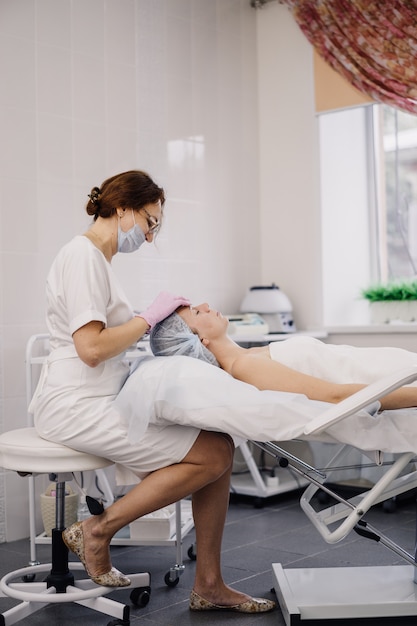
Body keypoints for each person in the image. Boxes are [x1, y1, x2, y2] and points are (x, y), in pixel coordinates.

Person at [30, 171, 275, 614]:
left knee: (217, 439)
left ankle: (209, 583)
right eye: (150, 221)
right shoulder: (83, 256)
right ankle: (98, 530)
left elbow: (107, 340)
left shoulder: (99, 262)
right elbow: (90, 349)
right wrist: (147, 318)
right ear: (122, 207)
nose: (149, 234)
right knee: (215, 454)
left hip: (101, 397)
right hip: (75, 405)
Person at [150, 303, 417, 410]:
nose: (206, 306)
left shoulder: (250, 356)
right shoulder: (244, 366)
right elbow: (336, 395)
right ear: (198, 340)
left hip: (393, 369)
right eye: (198, 313)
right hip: (396, 381)